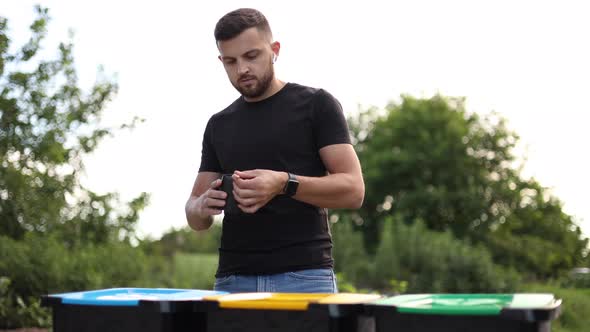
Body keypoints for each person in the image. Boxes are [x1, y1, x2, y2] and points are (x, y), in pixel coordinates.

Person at [185, 8, 364, 293]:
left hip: (305, 278)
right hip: (234, 281)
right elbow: (195, 216)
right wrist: (201, 205)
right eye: (230, 61)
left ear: (274, 49)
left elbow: (354, 190)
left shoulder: (317, 105)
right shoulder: (218, 124)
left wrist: (284, 183)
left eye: (251, 56)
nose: (242, 69)